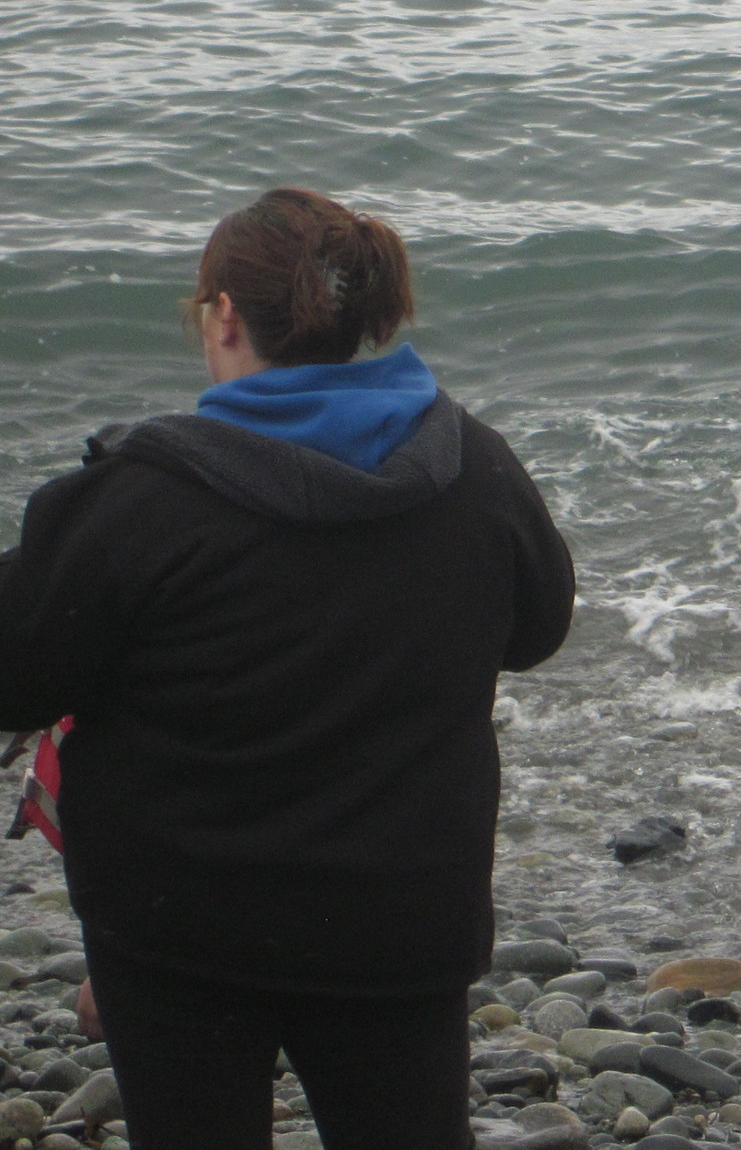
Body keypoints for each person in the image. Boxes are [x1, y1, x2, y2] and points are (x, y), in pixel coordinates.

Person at [0, 188, 575, 1150]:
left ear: (225, 314)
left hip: (180, 927)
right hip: (401, 914)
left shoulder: (135, 500)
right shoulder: (470, 470)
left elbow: (15, 675)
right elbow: (538, 626)